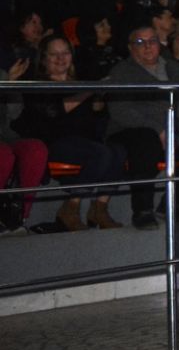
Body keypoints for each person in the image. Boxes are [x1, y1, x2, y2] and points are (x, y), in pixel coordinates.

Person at [104, 25, 179, 226]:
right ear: (130, 47)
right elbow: (120, 111)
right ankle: (142, 211)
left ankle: (173, 205)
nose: (147, 46)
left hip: (177, 134)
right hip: (134, 133)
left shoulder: (172, 67)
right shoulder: (122, 72)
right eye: (140, 42)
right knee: (146, 140)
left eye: (152, 41)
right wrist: (158, 129)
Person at [12, 36, 126, 231]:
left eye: (65, 53)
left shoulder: (80, 82)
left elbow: (96, 119)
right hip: (54, 142)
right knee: (100, 153)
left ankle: (99, 208)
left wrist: (99, 100)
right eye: (54, 54)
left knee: (118, 150)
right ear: (44, 58)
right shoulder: (37, 85)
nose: (60, 58)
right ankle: (71, 207)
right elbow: (53, 112)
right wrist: (89, 91)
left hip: (85, 141)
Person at [1, 56, 47, 234]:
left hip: (5, 135)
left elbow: (14, 114)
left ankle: (19, 216)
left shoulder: (3, 74)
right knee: (3, 155)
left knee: (35, 150)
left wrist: (11, 85)